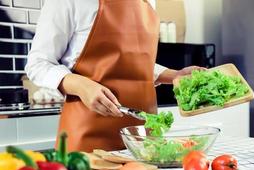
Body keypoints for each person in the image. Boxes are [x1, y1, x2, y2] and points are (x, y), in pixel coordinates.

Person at [25, 0, 205, 152]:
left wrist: (174, 75)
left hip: (144, 138)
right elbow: (38, 63)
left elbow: (132, 61)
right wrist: (80, 84)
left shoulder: (148, 2)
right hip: (89, 135)